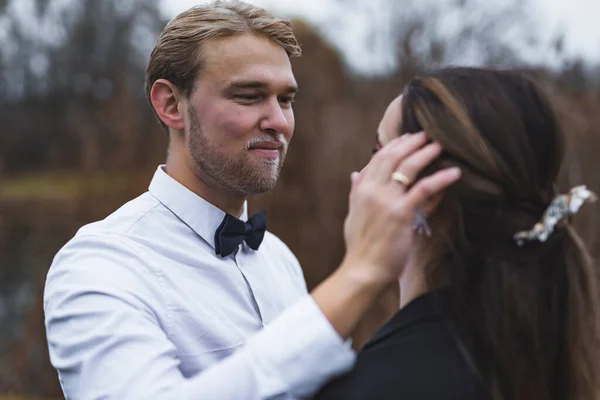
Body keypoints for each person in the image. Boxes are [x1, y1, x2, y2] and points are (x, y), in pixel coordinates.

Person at [43, 1, 461, 399]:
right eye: (248, 96)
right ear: (171, 104)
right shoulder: (100, 265)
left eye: (286, 99)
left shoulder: (280, 260)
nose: (279, 122)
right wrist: (360, 273)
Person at [314, 67, 600, 400]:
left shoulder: (383, 386)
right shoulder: (541, 353)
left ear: (427, 193)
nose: (361, 178)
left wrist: (358, 270)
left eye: (380, 154)